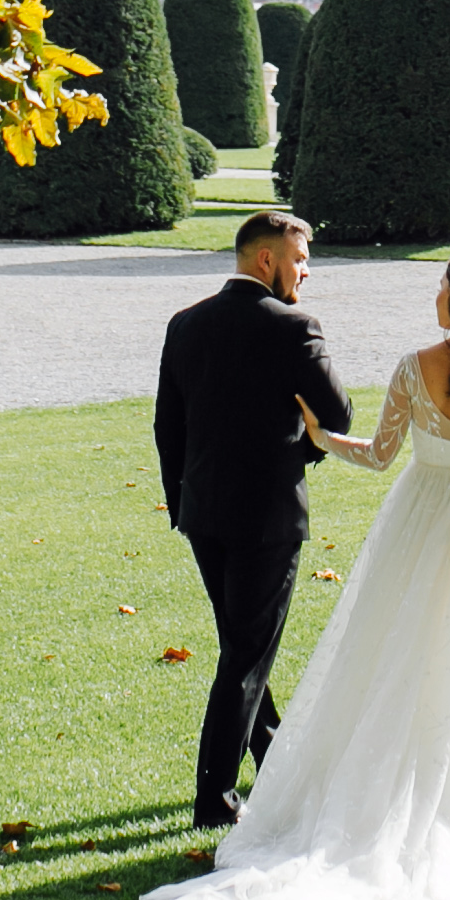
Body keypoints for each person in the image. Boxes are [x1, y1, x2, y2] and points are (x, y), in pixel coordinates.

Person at [142, 248, 450, 900]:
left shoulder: (414, 366)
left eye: (442, 286)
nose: (435, 295)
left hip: (416, 523)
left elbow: (383, 454)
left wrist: (324, 438)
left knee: (393, 660)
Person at [154, 211, 353, 828]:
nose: (305, 272)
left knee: (243, 646)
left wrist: (182, 501)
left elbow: (168, 427)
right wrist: (307, 449)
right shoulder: (295, 327)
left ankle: (274, 767)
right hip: (266, 517)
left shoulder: (185, 324)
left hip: (202, 513)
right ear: (265, 260)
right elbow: (339, 414)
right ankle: (214, 801)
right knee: (246, 653)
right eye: (299, 260)